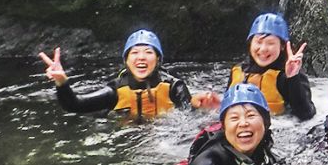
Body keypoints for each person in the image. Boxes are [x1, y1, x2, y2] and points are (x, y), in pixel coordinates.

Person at [38, 29, 217, 121]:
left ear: (158, 59)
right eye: (135, 53)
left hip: (165, 137)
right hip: (129, 139)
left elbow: (190, 115)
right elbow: (74, 105)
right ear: (126, 60)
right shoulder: (116, 90)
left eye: (148, 52)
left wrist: (199, 106)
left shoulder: (174, 87)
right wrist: (62, 82)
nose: (141, 57)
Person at [181, 83, 281, 165]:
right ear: (224, 126)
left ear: (266, 123)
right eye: (234, 118)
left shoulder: (267, 151)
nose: (243, 123)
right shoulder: (206, 164)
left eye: (251, 116)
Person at [227, 12, 316, 121]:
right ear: (250, 43)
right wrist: (215, 105)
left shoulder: (287, 75)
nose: (263, 49)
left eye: (270, 43)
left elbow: (306, 114)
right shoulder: (237, 71)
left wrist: (293, 78)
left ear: (282, 46)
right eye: (258, 42)